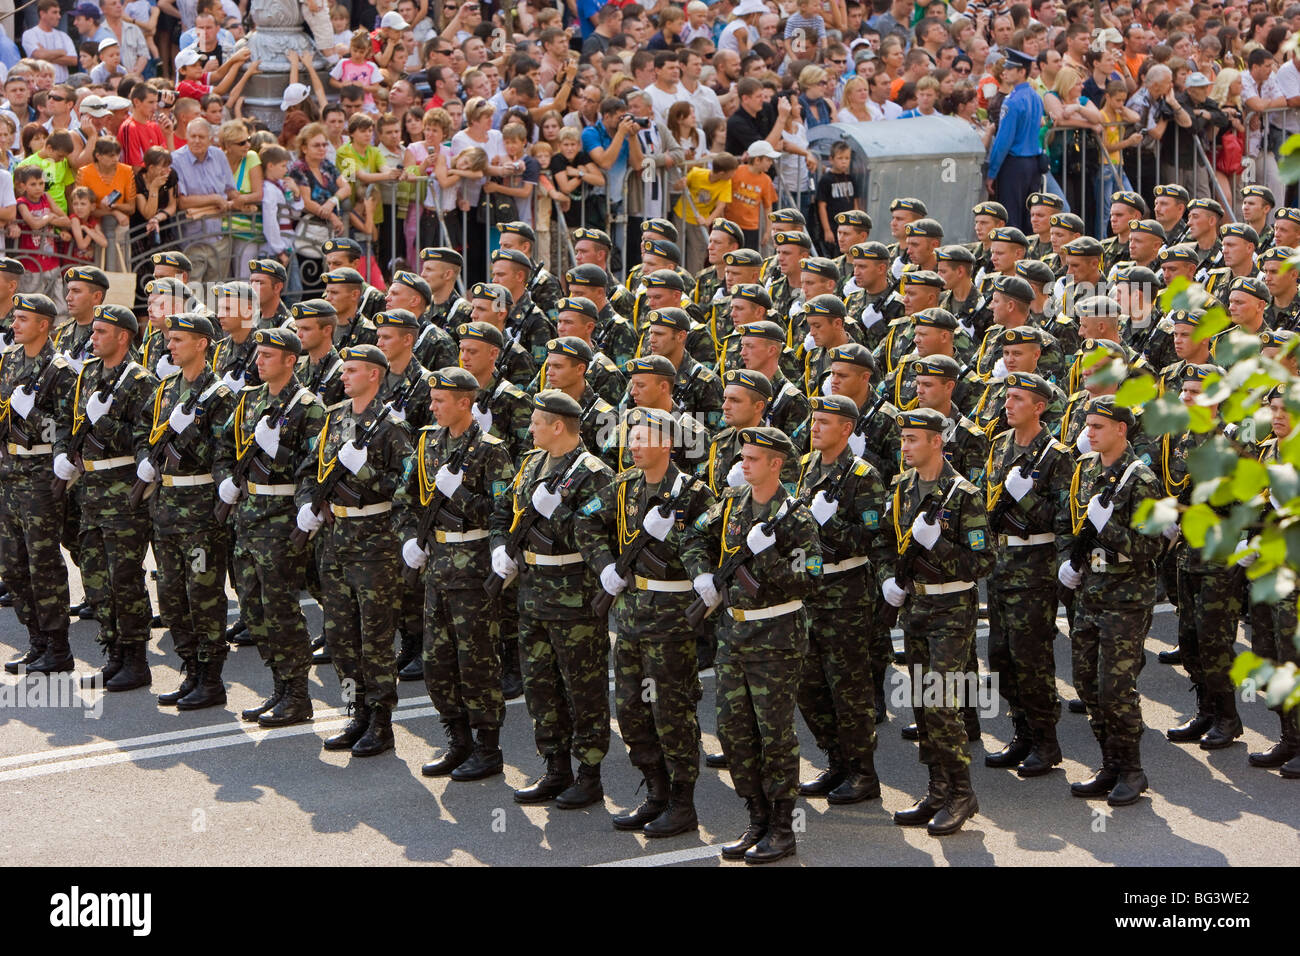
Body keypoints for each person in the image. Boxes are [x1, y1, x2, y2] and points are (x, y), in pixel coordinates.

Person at [681, 425, 822, 863]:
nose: (743, 463)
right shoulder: (732, 504)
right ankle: (756, 818)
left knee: (774, 736)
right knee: (734, 732)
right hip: (733, 635)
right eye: (742, 456)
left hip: (776, 638)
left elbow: (811, 578)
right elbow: (691, 537)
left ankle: (782, 829)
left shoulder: (796, 516)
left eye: (753, 458)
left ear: (776, 464)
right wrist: (702, 574)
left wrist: (769, 557)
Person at [489, 389, 616, 808]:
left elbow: (593, 534)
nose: (529, 428)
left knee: (583, 687)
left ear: (558, 426)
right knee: (539, 685)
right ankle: (555, 766)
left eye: (536, 422)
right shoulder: (530, 465)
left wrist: (553, 512)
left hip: (573, 596)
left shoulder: (593, 473)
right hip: (532, 592)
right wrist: (499, 547)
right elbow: (503, 514)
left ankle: (589, 774)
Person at [881, 406, 995, 836]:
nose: (905, 447)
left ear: (936, 442)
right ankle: (937, 787)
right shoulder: (901, 488)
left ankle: (962, 793)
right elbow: (886, 544)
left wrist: (941, 547)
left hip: (952, 607)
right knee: (920, 701)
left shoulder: (962, 494)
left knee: (942, 701)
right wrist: (888, 581)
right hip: (915, 606)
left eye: (913, 439)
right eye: (903, 439)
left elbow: (983, 562)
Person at [397, 366, 515, 779]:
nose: (433, 407)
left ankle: (487, 747)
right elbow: (405, 497)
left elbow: (503, 513)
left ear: (465, 402)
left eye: (440, 400)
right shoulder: (428, 442)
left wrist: (459, 493)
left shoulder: (491, 450)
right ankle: (457, 739)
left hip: (474, 568)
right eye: (432, 400)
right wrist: (410, 538)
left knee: (477, 661)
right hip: (436, 568)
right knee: (437, 662)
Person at [296, 344, 413, 758]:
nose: (344, 377)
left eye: (353, 371)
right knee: (341, 635)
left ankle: (381, 722)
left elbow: (408, 486)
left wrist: (362, 470)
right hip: (336, 539)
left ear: (375, 376)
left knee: (374, 638)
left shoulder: (391, 426)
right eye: (343, 370)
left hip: (375, 543)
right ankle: (355, 711)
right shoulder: (333, 419)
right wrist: (307, 506)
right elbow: (308, 471)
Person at [1057, 396, 1162, 807]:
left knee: (1116, 687)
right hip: (1091, 590)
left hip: (1127, 596)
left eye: (1098, 426)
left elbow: (1150, 546)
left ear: (1121, 429)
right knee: (1086, 682)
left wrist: (1111, 529)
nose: (1089, 433)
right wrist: (1069, 560)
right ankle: (1109, 763)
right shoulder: (1084, 469)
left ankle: (1132, 770)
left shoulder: (1141, 480)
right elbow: (1071, 522)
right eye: (1087, 425)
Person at [52, 303, 159, 691]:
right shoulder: (88, 375)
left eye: (100, 333)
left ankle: (136, 658)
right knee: (96, 579)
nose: (92, 338)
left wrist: (107, 420)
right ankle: (113, 651)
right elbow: (68, 421)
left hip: (123, 489)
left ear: (123, 337)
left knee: (125, 577)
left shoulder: (141, 381)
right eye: (93, 331)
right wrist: (64, 454)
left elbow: (146, 440)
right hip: (90, 490)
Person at [795, 394, 889, 805]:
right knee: (809, 686)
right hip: (810, 593)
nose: (814, 428)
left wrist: (828, 523)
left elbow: (871, 539)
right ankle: (835, 761)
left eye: (824, 422)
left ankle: (862, 772)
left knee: (848, 689)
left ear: (847, 429)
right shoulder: (805, 469)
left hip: (847, 593)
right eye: (814, 421)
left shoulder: (864, 476)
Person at [142, 313, 237, 710]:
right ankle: (189, 670)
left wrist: (186, 437)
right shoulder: (165, 390)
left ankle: (210, 676)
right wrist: (145, 459)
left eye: (179, 340)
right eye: (169, 339)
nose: (170, 346)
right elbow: (142, 432)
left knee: (203, 594)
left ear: (202, 343)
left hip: (200, 510)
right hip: (165, 507)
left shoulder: (219, 396)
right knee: (171, 595)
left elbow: (223, 454)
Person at [982, 372, 1073, 775]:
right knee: (1000, 657)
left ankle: (1046, 740)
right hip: (1001, 567)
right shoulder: (1000, 445)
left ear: (1039, 407)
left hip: (1035, 569)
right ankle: (1021, 732)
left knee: (1031, 658)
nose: (1008, 404)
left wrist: (1029, 499)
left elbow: (1064, 519)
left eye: (1018, 398)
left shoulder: (1056, 455)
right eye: (1007, 397)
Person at [0, 293, 77, 675]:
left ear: (44, 325)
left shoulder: (59, 369)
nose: (14, 325)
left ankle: (58, 646)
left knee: (42, 562)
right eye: (14, 318)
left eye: (22, 320)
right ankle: (37, 641)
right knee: (12, 564)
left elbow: (67, 427)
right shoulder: (10, 360)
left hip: (40, 473)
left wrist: (37, 420)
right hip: (8, 469)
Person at [986, 48, 1044, 234]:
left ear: (1022, 72)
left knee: (1011, 219)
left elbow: (1003, 141)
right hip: (1033, 163)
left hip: (1014, 165)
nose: (1006, 72)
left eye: (1011, 68)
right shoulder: (1035, 96)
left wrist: (992, 172)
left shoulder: (1011, 101)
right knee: (1030, 220)